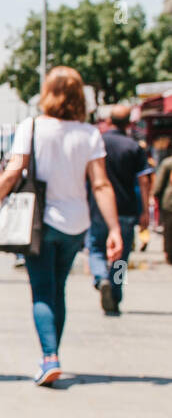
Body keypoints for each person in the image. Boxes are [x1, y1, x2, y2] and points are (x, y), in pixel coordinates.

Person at [0, 67, 122, 386]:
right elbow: (100, 185)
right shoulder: (89, 134)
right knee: (58, 288)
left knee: (42, 291)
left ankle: (50, 357)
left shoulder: (31, 127)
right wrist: (113, 228)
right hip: (76, 225)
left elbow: (10, 175)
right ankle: (52, 354)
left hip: (39, 222)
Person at [86, 104, 147, 315]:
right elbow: (143, 180)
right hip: (127, 208)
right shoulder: (134, 146)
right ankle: (116, 293)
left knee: (95, 248)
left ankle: (101, 277)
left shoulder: (97, 142)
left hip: (99, 208)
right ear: (129, 123)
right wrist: (145, 210)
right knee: (122, 257)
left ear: (109, 121)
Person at [153, 150, 172, 265]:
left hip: (169, 202)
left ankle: (169, 254)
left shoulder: (167, 162)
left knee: (169, 230)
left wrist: (157, 195)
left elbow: (158, 185)